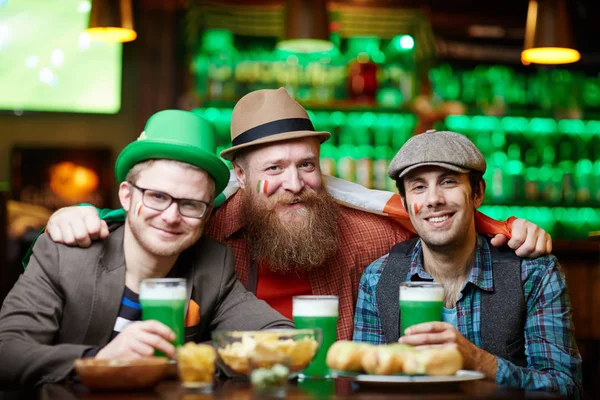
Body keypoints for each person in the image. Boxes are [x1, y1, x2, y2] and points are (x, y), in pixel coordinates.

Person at [35, 88, 552, 341]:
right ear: (238, 173)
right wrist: (73, 218)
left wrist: (507, 230)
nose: (295, 182)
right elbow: (140, 224)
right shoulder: (202, 227)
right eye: (275, 167)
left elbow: (439, 220)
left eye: (307, 164)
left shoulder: (367, 234)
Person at [0, 110, 292, 386]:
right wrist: (99, 360)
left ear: (206, 213)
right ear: (126, 196)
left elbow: (284, 342)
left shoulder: (213, 267)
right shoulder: (65, 254)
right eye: (156, 196)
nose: (170, 216)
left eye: (191, 204)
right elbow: (7, 353)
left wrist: (181, 360)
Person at [352, 130, 582, 397]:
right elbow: (364, 384)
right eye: (418, 187)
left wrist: (478, 361)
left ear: (477, 193)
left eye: (448, 182)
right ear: (405, 203)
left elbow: (566, 388)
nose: (433, 199)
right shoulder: (377, 278)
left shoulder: (533, 273)